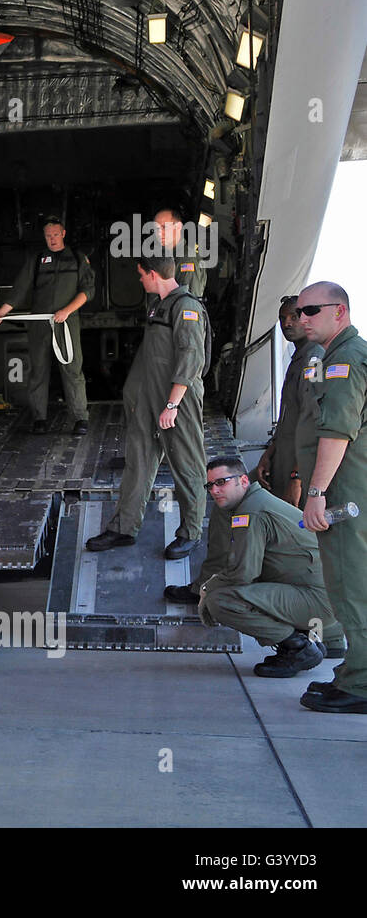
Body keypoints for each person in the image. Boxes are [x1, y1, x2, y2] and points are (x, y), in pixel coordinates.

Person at [164, 456, 345, 676]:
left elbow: (243, 573)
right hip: (327, 595)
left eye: (222, 482)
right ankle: (325, 637)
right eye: (210, 485)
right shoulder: (257, 501)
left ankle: (297, 648)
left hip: (316, 600)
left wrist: (206, 589)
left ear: (242, 481)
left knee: (220, 600)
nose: (215, 490)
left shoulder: (251, 512)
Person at [86, 255, 208, 559]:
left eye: (142, 275)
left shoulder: (186, 306)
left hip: (177, 399)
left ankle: (191, 532)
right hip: (150, 397)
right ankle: (124, 527)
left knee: (187, 465)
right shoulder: (158, 306)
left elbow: (191, 359)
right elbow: (151, 356)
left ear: (153, 274)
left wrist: (172, 404)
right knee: (138, 460)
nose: (140, 280)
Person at [295, 281, 367, 713]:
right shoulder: (330, 357)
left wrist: (316, 492)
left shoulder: (345, 361)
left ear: (339, 311)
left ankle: (362, 685)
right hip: (342, 485)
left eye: (311, 310)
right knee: (344, 583)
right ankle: (354, 671)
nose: (302, 319)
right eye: (298, 311)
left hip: (343, 489)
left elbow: (338, 433)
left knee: (352, 584)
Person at [0, 216, 95, 435]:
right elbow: (20, 290)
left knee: (72, 370)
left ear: (63, 234)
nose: (52, 239)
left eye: (56, 234)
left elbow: (87, 291)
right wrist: (0, 313)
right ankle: (39, 418)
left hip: (66, 323)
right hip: (40, 324)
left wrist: (66, 311)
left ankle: (80, 418)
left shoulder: (77, 258)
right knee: (38, 370)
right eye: (48, 235)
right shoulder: (37, 260)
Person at [255, 296, 324, 507]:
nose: (287, 323)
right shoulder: (298, 358)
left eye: (294, 317)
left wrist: (297, 477)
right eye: (282, 318)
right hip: (284, 458)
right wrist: (269, 454)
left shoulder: (315, 359)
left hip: (300, 468)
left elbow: (314, 420)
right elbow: (288, 417)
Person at [154, 207, 207, 299]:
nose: (159, 233)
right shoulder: (168, 256)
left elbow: (189, 304)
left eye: (164, 227)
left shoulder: (186, 260)